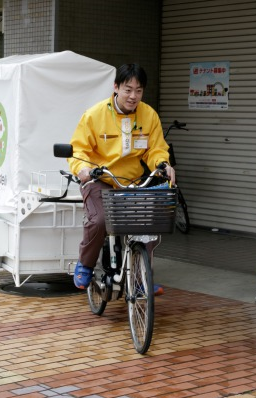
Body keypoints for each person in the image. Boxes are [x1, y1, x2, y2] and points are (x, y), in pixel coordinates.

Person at [67, 63, 176, 295]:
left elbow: (155, 149)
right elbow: (79, 150)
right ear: (116, 87)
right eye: (128, 89)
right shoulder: (94, 115)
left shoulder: (149, 115)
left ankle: (138, 281)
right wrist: (83, 168)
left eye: (138, 90)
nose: (133, 96)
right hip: (100, 179)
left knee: (147, 226)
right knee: (99, 221)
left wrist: (163, 164)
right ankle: (85, 264)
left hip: (133, 182)